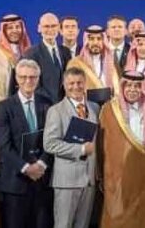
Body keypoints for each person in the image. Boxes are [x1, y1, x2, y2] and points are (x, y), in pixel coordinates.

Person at [97, 70, 145, 228]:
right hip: (117, 178)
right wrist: (100, 175)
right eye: (129, 85)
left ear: (143, 88)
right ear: (122, 87)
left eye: (137, 86)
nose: (132, 89)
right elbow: (100, 145)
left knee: (144, 217)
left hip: (144, 174)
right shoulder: (109, 110)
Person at [0, 59, 54, 228]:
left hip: (42, 180)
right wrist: (26, 168)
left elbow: (52, 138)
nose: (28, 81)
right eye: (23, 77)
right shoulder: (4, 107)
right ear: (17, 79)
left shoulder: (47, 104)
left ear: (38, 79)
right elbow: (3, 145)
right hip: (15, 183)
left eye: (33, 77)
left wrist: (41, 164)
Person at [44, 67, 100, 228]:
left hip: (89, 180)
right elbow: (49, 144)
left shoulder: (94, 108)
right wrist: (80, 150)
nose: (76, 87)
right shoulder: (56, 111)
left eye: (79, 83)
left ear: (85, 84)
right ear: (64, 85)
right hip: (66, 181)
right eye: (71, 83)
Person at [0, 14, 32, 102]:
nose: (14, 30)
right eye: (10, 28)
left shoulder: (28, 50)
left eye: (17, 27)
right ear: (4, 31)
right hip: (0, 102)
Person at [24, 13, 71, 103]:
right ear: (39, 28)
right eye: (46, 26)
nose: (50, 29)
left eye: (53, 26)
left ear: (59, 28)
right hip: (43, 106)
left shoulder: (66, 52)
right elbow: (32, 84)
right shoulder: (31, 54)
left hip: (65, 105)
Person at [66, 26, 120, 102]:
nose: (95, 42)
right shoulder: (75, 63)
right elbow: (71, 90)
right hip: (86, 106)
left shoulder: (111, 62)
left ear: (104, 41)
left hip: (109, 106)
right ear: (86, 41)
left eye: (99, 39)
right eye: (91, 39)